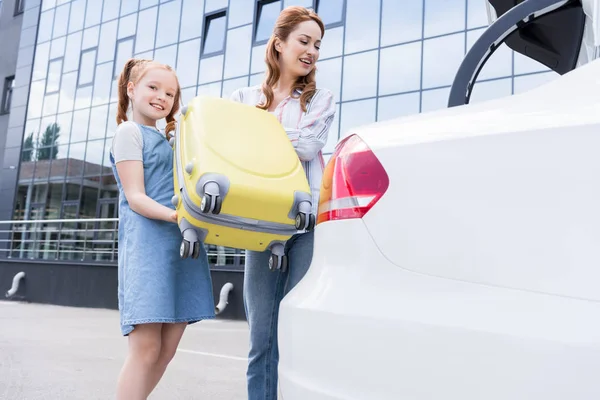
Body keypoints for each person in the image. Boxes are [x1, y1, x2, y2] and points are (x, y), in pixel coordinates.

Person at [230, 6, 336, 400]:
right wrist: (264, 136)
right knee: (261, 338)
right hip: (260, 228)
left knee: (297, 333)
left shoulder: (320, 99)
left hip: (306, 226)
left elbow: (308, 148)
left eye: (317, 45)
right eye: (304, 41)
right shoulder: (242, 98)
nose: (311, 51)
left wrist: (258, 133)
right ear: (279, 44)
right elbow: (232, 152)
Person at [110, 58, 215, 400]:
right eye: (153, 88)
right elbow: (136, 197)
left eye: (169, 93)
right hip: (148, 248)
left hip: (181, 247)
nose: (161, 97)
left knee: (165, 351)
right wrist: (177, 217)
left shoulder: (171, 140)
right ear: (131, 89)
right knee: (145, 350)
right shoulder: (129, 132)